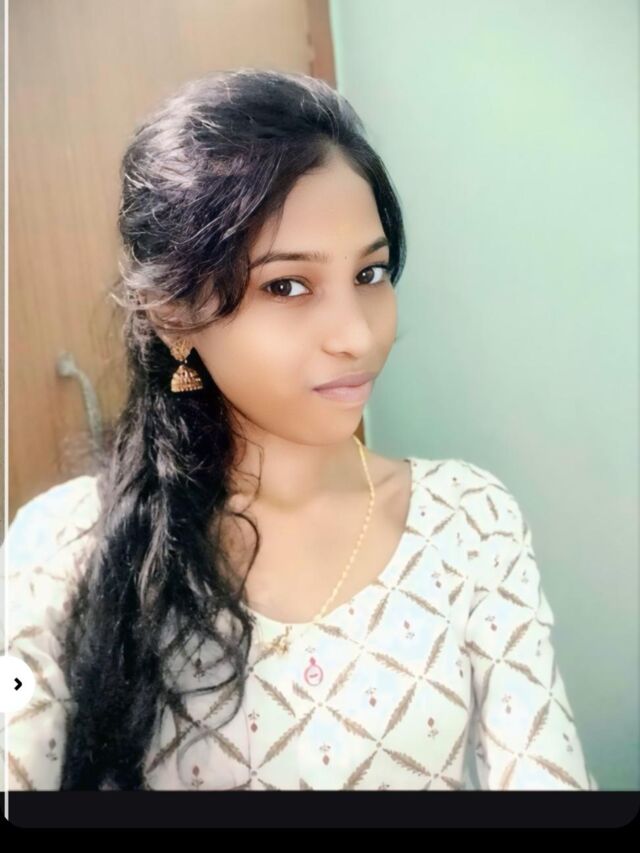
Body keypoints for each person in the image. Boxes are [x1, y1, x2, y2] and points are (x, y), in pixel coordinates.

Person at [3, 68, 598, 792]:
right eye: (287, 285)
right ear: (175, 315)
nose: (357, 336)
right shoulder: (61, 549)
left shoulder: (470, 525)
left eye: (371, 274)